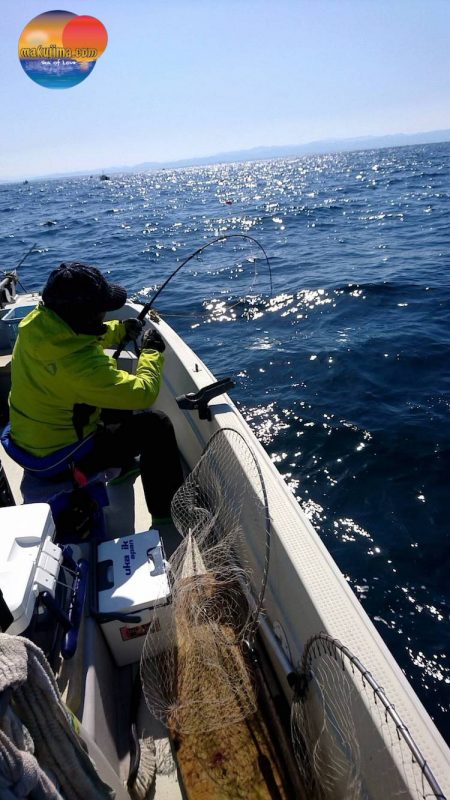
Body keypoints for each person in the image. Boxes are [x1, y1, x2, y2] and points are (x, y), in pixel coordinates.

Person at [5, 262, 183, 521]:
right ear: (87, 316)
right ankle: (167, 512)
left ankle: (120, 468)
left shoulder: (38, 324)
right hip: (60, 458)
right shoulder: (79, 366)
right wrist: (151, 354)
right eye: (101, 310)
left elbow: (78, 335)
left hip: (30, 441)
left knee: (109, 388)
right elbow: (143, 393)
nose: (104, 314)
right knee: (156, 425)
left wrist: (120, 330)